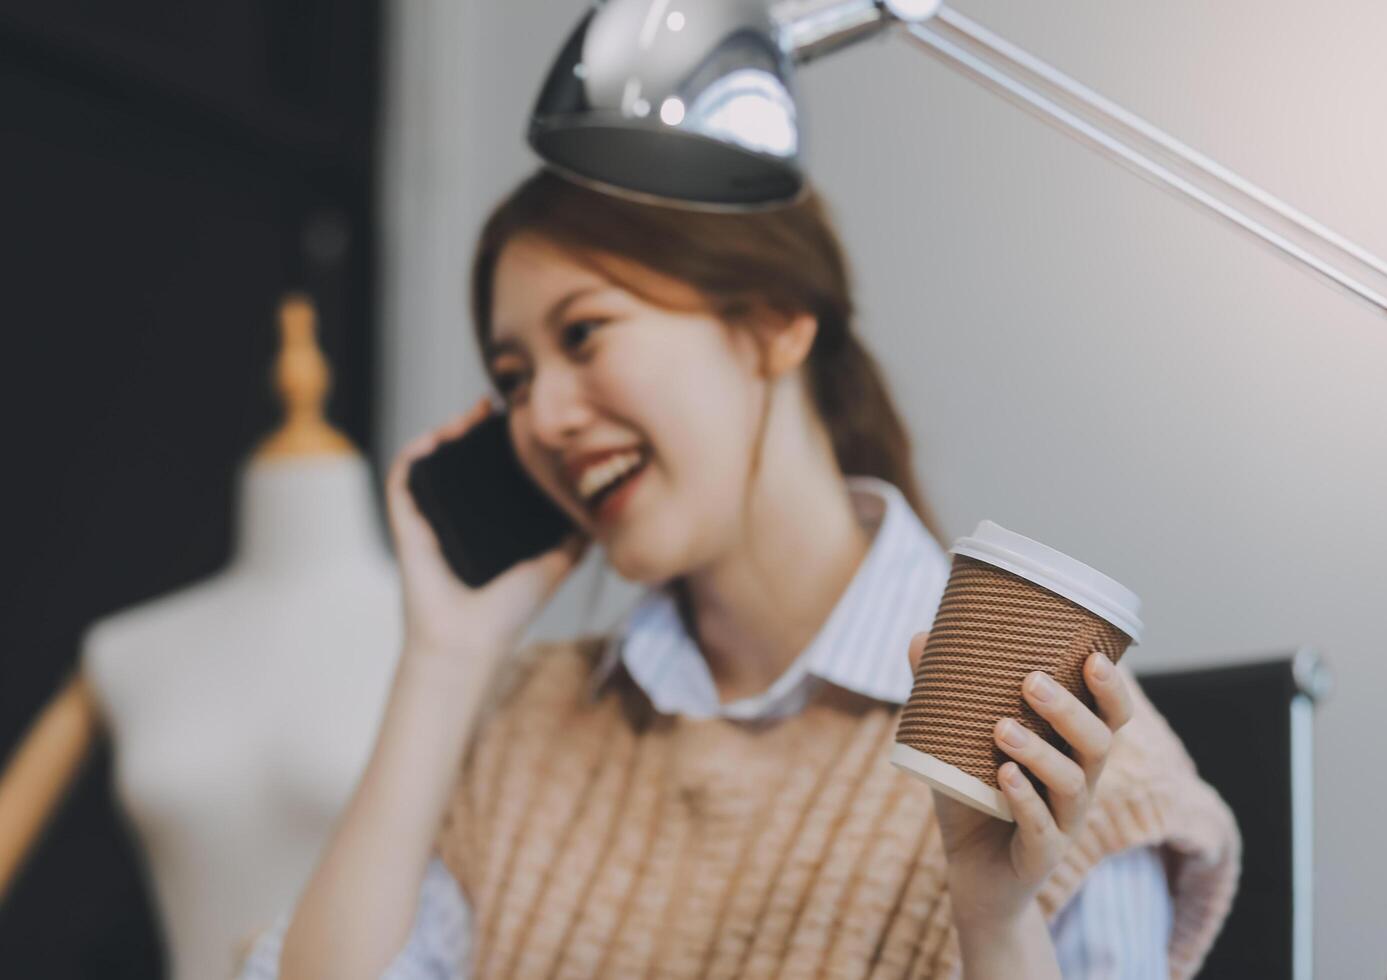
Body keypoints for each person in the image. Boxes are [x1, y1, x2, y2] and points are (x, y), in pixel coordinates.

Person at [239, 168, 1240, 979]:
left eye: (583, 334)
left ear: (775, 319)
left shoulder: (1055, 739)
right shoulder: (519, 722)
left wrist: (995, 924)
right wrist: (446, 655)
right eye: (514, 379)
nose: (541, 417)